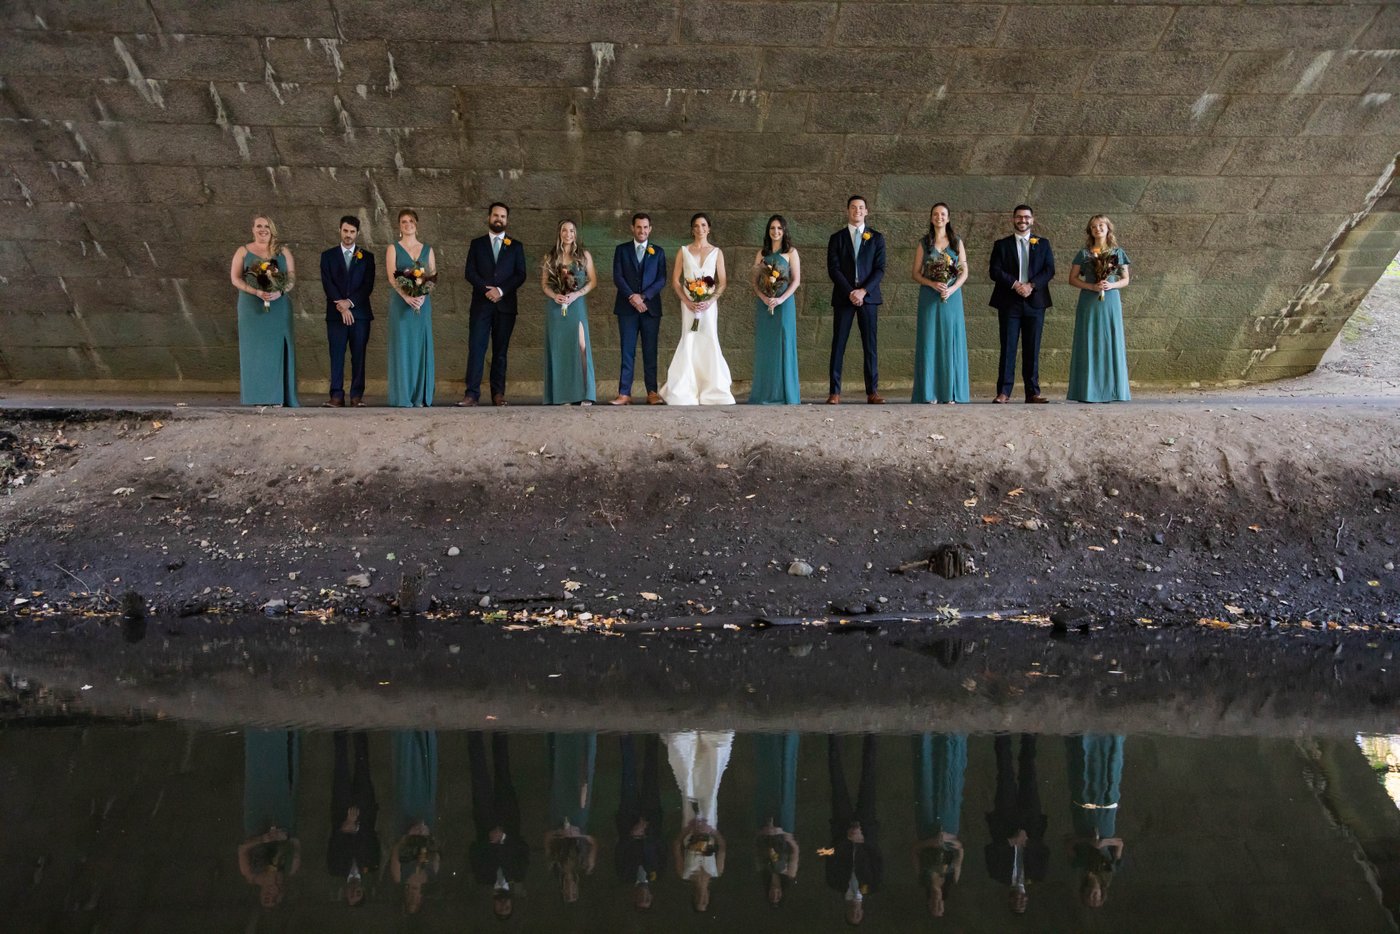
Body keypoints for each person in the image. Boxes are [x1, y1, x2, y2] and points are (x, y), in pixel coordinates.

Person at [660, 213, 735, 405]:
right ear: (692, 229)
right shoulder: (683, 251)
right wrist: (686, 301)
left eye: (703, 225)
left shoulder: (717, 252)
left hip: (708, 306)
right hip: (689, 305)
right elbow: (676, 281)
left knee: (709, 338)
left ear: (708, 228)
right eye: (696, 226)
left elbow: (722, 282)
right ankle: (685, 389)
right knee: (689, 337)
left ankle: (712, 389)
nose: (700, 229)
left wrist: (710, 301)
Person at [460, 202, 527, 406]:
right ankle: (471, 394)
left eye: (503, 216)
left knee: (500, 352)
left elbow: (520, 274)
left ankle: (498, 394)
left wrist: (501, 290)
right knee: (476, 348)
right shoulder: (477, 244)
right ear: (489, 217)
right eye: (496, 215)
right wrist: (486, 289)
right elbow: (469, 272)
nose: (499, 219)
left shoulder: (515, 246)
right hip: (481, 305)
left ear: (507, 220)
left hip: (505, 306)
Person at [988, 204, 1055, 403]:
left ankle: (1032, 392)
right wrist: (1016, 284)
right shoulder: (1002, 245)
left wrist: (1031, 286)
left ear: (1032, 220)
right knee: (1008, 347)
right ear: (1013, 219)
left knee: (1032, 348)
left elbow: (1049, 270)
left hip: (1035, 301)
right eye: (1019, 217)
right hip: (1009, 301)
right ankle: (1004, 392)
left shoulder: (1043, 244)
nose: (1022, 220)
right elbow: (995, 271)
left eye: (1026, 217)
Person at [229, 214, 298, 406]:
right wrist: (256, 291)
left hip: (278, 307)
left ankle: (278, 397)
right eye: (259, 226)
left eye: (266, 226)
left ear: (272, 229)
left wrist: (280, 291)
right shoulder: (243, 251)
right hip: (251, 307)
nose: (263, 230)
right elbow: (235, 278)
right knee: (254, 351)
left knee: (276, 349)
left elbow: (291, 278)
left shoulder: (283, 251)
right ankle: (256, 397)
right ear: (253, 229)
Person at [664, 730, 734, 911]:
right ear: (708, 898)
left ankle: (687, 744)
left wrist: (689, 829)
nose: (702, 899)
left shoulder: (684, 873)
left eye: (699, 902)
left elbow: (676, 846)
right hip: (709, 826)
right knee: (710, 793)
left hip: (690, 827)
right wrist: (711, 831)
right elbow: (722, 847)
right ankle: (712, 744)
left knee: (688, 789)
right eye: (704, 902)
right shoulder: (716, 871)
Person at [826, 195, 886, 404]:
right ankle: (834, 392)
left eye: (861, 208)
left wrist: (863, 291)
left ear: (866, 211)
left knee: (870, 345)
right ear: (848, 211)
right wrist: (851, 292)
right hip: (844, 298)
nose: (857, 211)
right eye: (853, 207)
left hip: (868, 299)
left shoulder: (876, 238)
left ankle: (872, 392)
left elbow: (879, 269)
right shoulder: (837, 238)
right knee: (838, 344)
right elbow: (833, 269)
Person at [1067, 215, 1132, 403]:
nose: (1098, 229)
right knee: (1088, 339)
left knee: (1111, 339)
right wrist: (1091, 287)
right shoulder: (1083, 253)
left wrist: (1111, 285)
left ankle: (1113, 391)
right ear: (1090, 231)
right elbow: (1072, 279)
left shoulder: (1118, 252)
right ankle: (1087, 391)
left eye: (1101, 225)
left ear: (1108, 228)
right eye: (1093, 226)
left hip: (1110, 300)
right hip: (1089, 300)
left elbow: (1125, 279)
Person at [911, 203, 970, 404]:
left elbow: (964, 271)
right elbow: (915, 273)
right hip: (930, 296)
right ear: (931, 218)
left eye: (943, 214)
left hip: (952, 298)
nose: (939, 217)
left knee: (950, 341)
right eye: (935, 214)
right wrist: (932, 284)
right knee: (929, 340)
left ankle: (950, 393)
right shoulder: (924, 243)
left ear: (948, 218)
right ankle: (930, 393)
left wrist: (952, 289)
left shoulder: (956, 242)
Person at [984, 734, 1049, 915]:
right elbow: (1044, 851)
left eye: (1016, 903)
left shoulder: (998, 874)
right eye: (1022, 904)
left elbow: (990, 850)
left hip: (1005, 820)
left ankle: (1002, 735)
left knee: (1005, 775)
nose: (1019, 900)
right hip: (1031, 822)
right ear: (1027, 900)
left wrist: (1011, 841)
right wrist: (1027, 841)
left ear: (1009, 900)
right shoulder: (1037, 874)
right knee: (1029, 776)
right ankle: (1030, 736)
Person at [468, 732, 529, 920]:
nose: (503, 904)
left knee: (479, 774)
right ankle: (500, 730)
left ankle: (473, 732)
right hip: (508, 818)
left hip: (484, 819)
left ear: (494, 905)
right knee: (503, 770)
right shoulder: (518, 873)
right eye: (507, 907)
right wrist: (504, 838)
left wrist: (489, 840)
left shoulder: (482, 876)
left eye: (500, 908)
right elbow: (523, 847)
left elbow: (474, 851)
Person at [238, 730, 301, 908]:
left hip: (257, 822)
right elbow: (296, 844)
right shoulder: (289, 869)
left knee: (257, 775)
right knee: (283, 776)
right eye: (273, 898)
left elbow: (242, 849)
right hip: (282, 822)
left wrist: (263, 839)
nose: (269, 895)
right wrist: (283, 837)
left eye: (266, 899)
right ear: (279, 894)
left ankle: (256, 734)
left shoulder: (251, 874)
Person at [824, 734, 882, 926]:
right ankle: (871, 734)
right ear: (862, 912)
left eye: (852, 915)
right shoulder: (873, 885)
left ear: (846, 911)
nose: (855, 912)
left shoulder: (835, 882)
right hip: (866, 828)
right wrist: (861, 841)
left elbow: (826, 853)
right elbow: (877, 856)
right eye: (858, 915)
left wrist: (847, 840)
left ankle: (833, 735)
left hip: (841, 827)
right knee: (869, 778)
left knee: (837, 779)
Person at [611, 213, 668, 405]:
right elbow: (618, 276)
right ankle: (624, 393)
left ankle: (652, 392)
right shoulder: (621, 250)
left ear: (650, 229)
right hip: (626, 308)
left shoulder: (658, 252)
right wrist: (632, 296)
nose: (642, 231)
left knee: (650, 351)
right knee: (627, 351)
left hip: (650, 309)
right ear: (632, 228)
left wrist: (643, 297)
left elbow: (661, 279)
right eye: (638, 227)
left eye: (645, 227)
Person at [319, 215, 375, 407]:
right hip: (336, 315)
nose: (348, 235)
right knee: (336, 354)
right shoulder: (328, 256)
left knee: (359, 355)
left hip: (360, 315)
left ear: (357, 233)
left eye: (352, 232)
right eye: (345, 231)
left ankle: (356, 395)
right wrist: (342, 307)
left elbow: (368, 285)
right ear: (340, 230)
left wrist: (350, 303)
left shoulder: (367, 257)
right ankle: (336, 395)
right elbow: (328, 283)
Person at [540, 220, 598, 405]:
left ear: (575, 233)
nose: (568, 234)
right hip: (556, 307)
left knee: (581, 346)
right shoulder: (550, 257)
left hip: (576, 304)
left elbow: (593, 281)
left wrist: (576, 294)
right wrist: (555, 295)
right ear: (559, 233)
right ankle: (563, 395)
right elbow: (544, 285)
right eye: (564, 230)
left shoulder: (584, 255)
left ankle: (586, 394)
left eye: (571, 231)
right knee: (559, 349)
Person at [1065, 734, 1126, 908]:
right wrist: (1103, 843)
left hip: (1084, 816)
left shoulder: (1079, 866)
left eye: (1089, 897)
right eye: (1096, 897)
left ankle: (1082, 735)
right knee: (1108, 772)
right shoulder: (1111, 868)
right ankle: (1112, 736)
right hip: (1106, 816)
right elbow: (1119, 843)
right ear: (1101, 893)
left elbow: (1069, 843)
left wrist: (1088, 841)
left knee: (1083, 774)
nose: (1093, 894)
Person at [911, 733, 967, 918]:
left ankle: (925, 735)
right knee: (948, 782)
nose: (936, 903)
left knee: (925, 781)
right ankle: (952, 735)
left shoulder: (922, 879)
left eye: (933, 907)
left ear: (928, 903)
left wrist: (932, 842)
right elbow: (960, 850)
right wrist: (948, 839)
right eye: (939, 907)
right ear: (943, 903)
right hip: (949, 829)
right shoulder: (952, 879)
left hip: (926, 828)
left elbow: (914, 850)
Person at [385, 209, 435, 407]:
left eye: (411, 221)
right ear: (399, 226)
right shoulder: (393, 248)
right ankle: (403, 395)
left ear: (416, 224)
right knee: (403, 346)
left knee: (420, 345)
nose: (407, 224)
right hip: (401, 304)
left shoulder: (427, 249)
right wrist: (406, 296)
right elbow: (392, 277)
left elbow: (432, 276)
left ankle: (420, 396)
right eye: (404, 222)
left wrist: (422, 296)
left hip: (422, 304)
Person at [750, 215, 802, 405]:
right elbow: (755, 282)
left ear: (784, 230)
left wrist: (780, 299)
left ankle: (786, 393)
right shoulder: (761, 254)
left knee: (784, 344)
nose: (776, 231)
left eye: (779, 228)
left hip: (784, 304)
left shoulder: (791, 252)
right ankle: (765, 393)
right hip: (765, 305)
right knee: (767, 347)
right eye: (772, 228)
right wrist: (765, 298)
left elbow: (796, 281)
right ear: (768, 231)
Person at [326, 731, 379, 908]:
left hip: (341, 811)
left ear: (345, 894)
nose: (354, 890)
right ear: (363, 890)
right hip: (364, 811)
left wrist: (345, 826)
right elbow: (373, 839)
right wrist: (356, 826)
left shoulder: (335, 869)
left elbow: (333, 844)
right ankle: (360, 731)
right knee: (362, 766)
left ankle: (339, 732)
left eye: (351, 895)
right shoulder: (372, 865)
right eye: (358, 893)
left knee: (341, 767)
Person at [389, 730, 439, 915]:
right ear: (420, 900)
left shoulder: (399, 877)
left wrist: (408, 835)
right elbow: (435, 851)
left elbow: (396, 852)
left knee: (407, 776)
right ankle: (426, 734)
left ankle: (406, 734)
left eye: (408, 902)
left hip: (406, 822)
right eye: (415, 903)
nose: (412, 898)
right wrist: (427, 834)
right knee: (425, 781)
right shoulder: (430, 875)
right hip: (425, 823)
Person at [545, 732, 599, 904]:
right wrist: (579, 835)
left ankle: (562, 736)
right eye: (573, 893)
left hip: (559, 816)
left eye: (567, 894)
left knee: (561, 775)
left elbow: (547, 838)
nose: (570, 890)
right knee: (582, 778)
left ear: (562, 890)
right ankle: (587, 735)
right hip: (578, 819)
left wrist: (560, 833)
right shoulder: (585, 865)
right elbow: (593, 842)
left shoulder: (554, 865)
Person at [615, 734, 666, 911]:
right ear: (651, 896)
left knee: (628, 775)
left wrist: (633, 834)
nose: (643, 896)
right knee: (651, 774)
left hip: (628, 818)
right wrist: (647, 831)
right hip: (651, 818)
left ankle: (625, 737)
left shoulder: (625, 875)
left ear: (634, 897)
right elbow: (662, 846)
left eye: (640, 899)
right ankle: (652, 736)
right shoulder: (657, 873)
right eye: (647, 899)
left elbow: (619, 850)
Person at [753, 732, 800, 906]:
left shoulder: (762, 871)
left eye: (771, 897)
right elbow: (795, 851)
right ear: (781, 894)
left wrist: (764, 832)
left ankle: (766, 738)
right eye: (777, 897)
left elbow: (756, 846)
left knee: (767, 784)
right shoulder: (789, 874)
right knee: (785, 785)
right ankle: (790, 737)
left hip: (765, 829)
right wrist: (784, 835)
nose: (775, 894)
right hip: (785, 829)